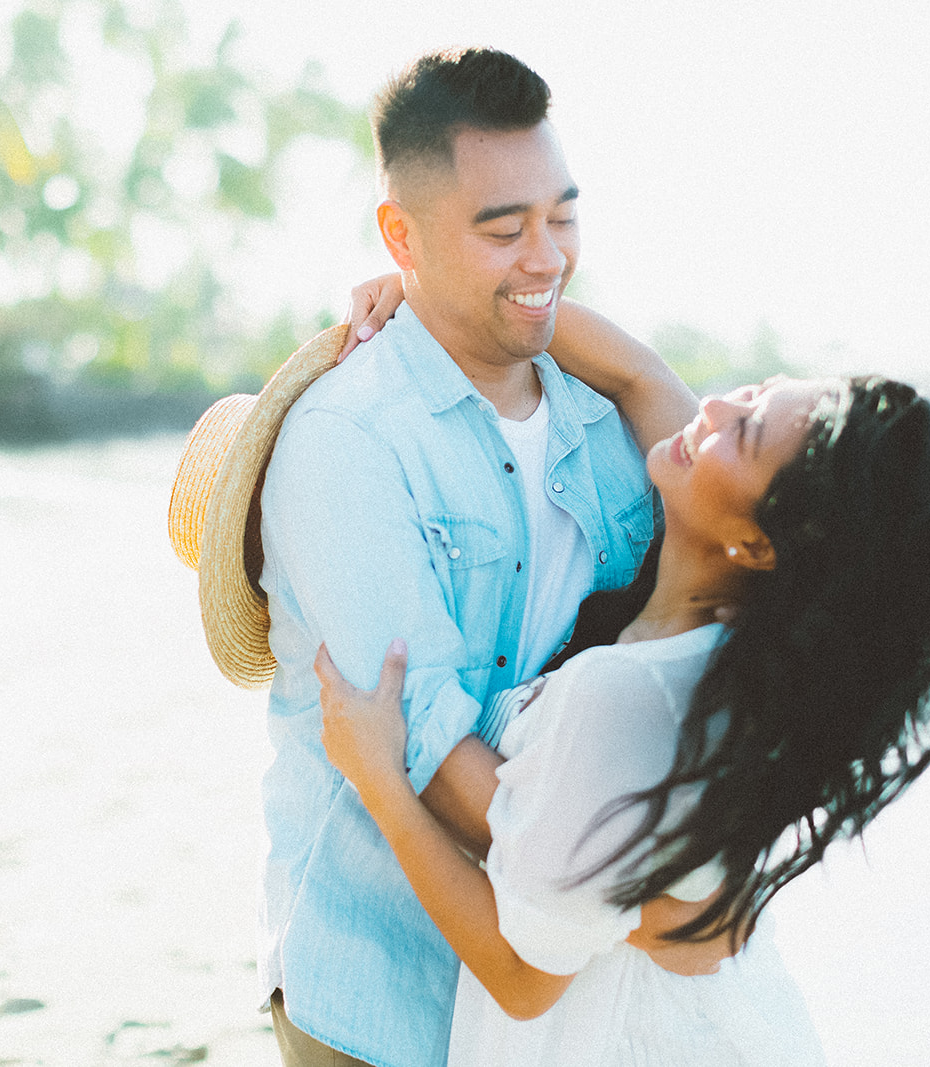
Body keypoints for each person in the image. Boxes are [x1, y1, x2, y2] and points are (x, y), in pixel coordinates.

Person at [252, 47, 710, 1067]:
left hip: (561, 999)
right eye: (503, 229)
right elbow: (423, 733)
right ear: (399, 235)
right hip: (383, 977)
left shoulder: (603, 423)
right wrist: (637, 897)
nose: (544, 254)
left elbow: (729, 561)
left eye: (562, 217)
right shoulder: (349, 440)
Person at [318, 362, 930, 1065]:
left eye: (746, 427)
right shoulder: (725, 664)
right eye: (753, 390)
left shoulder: (627, 698)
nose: (715, 404)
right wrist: (420, 289)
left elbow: (523, 981)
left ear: (759, 544)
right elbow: (638, 376)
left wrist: (381, 782)